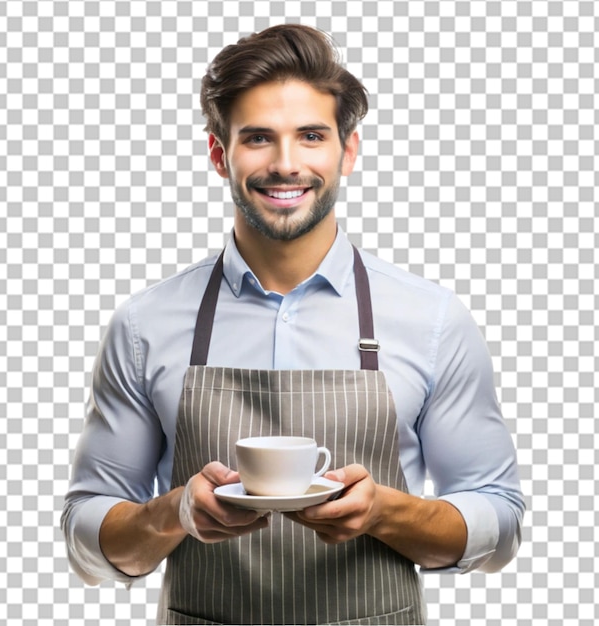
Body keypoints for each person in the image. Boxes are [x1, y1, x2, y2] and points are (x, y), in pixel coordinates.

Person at [62, 24, 524, 625]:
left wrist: (386, 512)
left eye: (311, 136)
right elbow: (87, 538)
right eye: (258, 138)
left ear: (347, 151)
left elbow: (499, 519)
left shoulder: (431, 318)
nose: (286, 165)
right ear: (218, 153)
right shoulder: (146, 324)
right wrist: (173, 513)